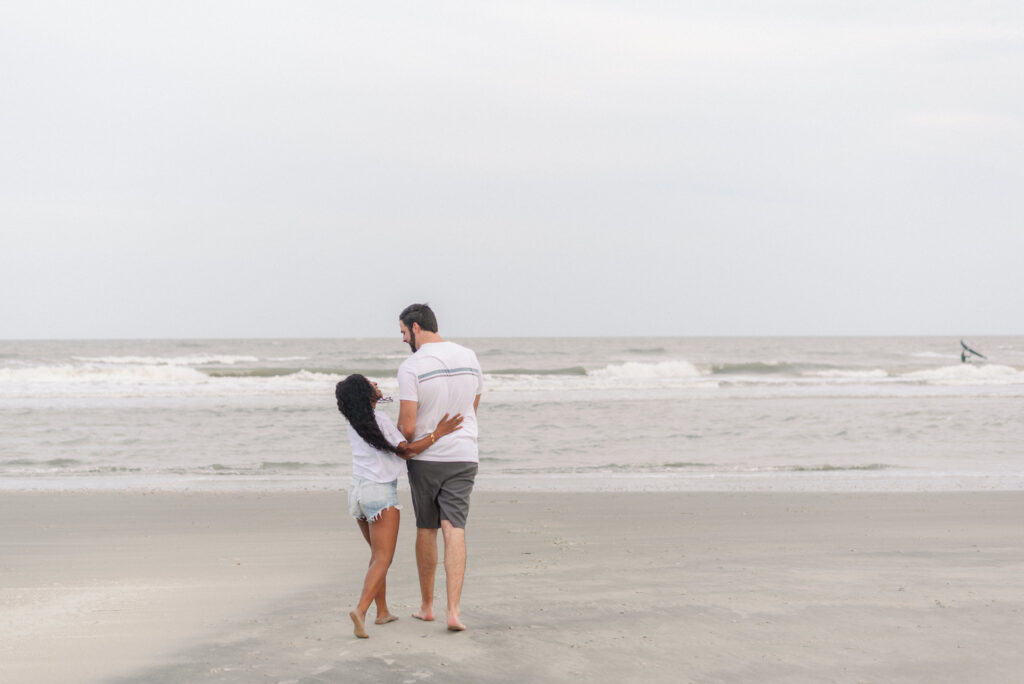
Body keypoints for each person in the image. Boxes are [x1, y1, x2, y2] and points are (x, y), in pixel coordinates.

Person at [335, 373, 463, 639]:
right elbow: (406, 450)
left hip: (357, 492)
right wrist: (438, 433)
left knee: (376, 557)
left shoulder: (355, 422)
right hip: (379, 493)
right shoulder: (379, 420)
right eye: (372, 384)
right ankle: (361, 610)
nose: (377, 385)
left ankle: (383, 612)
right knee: (383, 558)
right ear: (365, 393)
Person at [396, 303, 483, 632]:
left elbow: (406, 428)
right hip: (463, 454)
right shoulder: (469, 356)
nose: (404, 339)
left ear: (416, 327)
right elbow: (472, 405)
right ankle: (454, 611)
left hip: (427, 459)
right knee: (455, 528)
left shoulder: (411, 366)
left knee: (426, 528)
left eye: (404, 332)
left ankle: (427, 607)